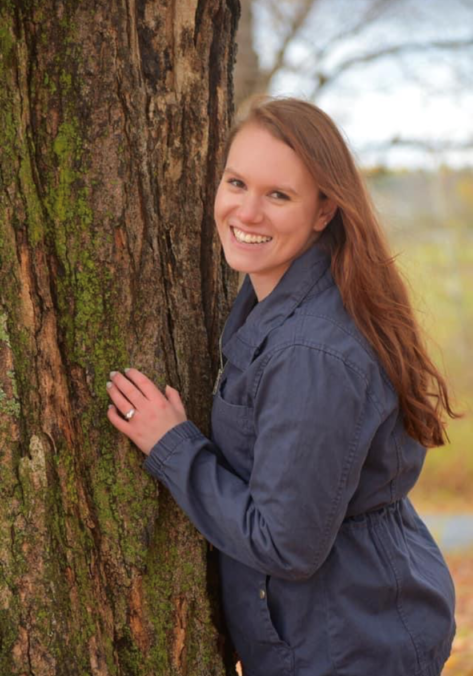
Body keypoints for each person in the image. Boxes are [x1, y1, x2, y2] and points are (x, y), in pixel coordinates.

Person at [106, 97, 457, 676]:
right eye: (237, 182)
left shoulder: (312, 353)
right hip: (353, 620)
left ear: (323, 213)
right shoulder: (278, 297)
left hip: (349, 646)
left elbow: (286, 542)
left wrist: (172, 445)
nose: (246, 211)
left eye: (278, 195)